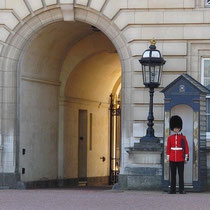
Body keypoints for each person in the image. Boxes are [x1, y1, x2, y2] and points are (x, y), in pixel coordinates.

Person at [166, 115, 189, 194]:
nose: (176, 129)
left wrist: (186, 157)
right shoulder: (170, 138)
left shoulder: (183, 137)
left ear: (179, 128)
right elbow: (168, 148)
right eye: (175, 128)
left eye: (177, 128)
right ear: (173, 128)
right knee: (173, 175)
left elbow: (186, 148)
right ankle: (172, 190)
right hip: (172, 158)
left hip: (180, 158)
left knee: (181, 175)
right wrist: (168, 157)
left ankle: (181, 190)